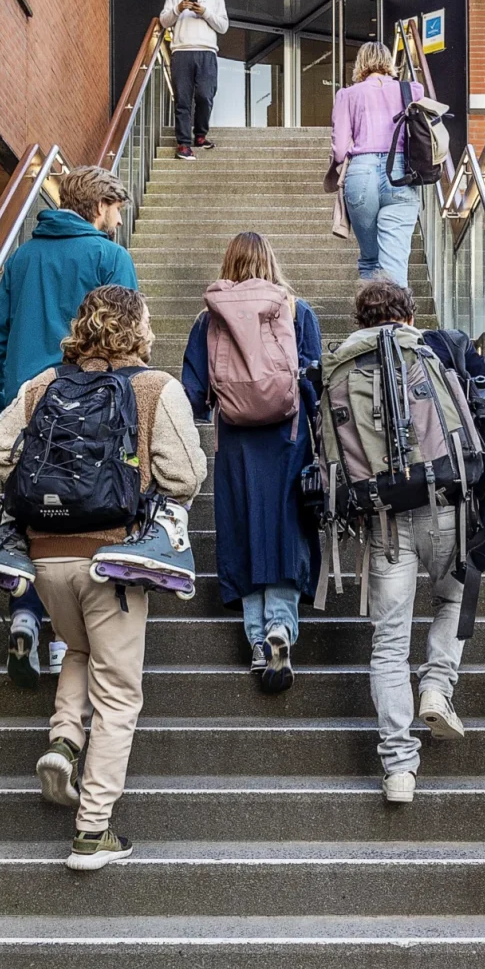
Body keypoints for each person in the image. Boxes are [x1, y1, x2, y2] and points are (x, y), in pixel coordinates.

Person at [0, 286, 207, 870]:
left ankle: (63, 740)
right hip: (114, 560)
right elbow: (185, 474)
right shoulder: (155, 388)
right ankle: (93, 830)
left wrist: (43, 493)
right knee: (119, 692)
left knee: (77, 650)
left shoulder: (40, 387)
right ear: (137, 330)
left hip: (46, 559)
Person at [348, 278, 485, 804]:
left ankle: (399, 770)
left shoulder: (343, 365)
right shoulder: (441, 346)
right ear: (410, 316)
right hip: (448, 506)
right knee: (453, 595)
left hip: (382, 517)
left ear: (362, 322)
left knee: (387, 645)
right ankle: (436, 686)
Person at [0, 166, 138, 689]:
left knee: (27, 510)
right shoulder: (109, 257)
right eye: (114, 209)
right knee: (81, 510)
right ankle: (72, 638)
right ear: (97, 206)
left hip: (26, 406)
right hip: (90, 409)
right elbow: (128, 340)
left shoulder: (22, 257)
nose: (116, 221)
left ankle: (25, 613)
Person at [182, 233, 322, 692]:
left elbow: (194, 394)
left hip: (236, 443)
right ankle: (282, 625)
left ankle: (259, 641)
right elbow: (315, 378)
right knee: (286, 529)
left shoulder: (208, 320)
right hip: (288, 437)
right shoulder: (298, 311)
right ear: (271, 263)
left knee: (243, 531)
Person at [331, 42, 425, 287]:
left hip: (361, 174)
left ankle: (371, 321)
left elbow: (340, 150)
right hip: (401, 173)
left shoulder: (348, 95)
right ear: (388, 63)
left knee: (370, 260)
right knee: (394, 264)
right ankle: (396, 322)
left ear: (360, 64)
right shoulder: (412, 91)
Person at [160, 0, 229, 161]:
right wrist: (179, 8)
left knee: (205, 96)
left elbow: (223, 27)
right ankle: (183, 143)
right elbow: (164, 21)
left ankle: (200, 134)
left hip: (207, 51)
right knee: (182, 99)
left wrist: (204, 12)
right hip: (181, 51)